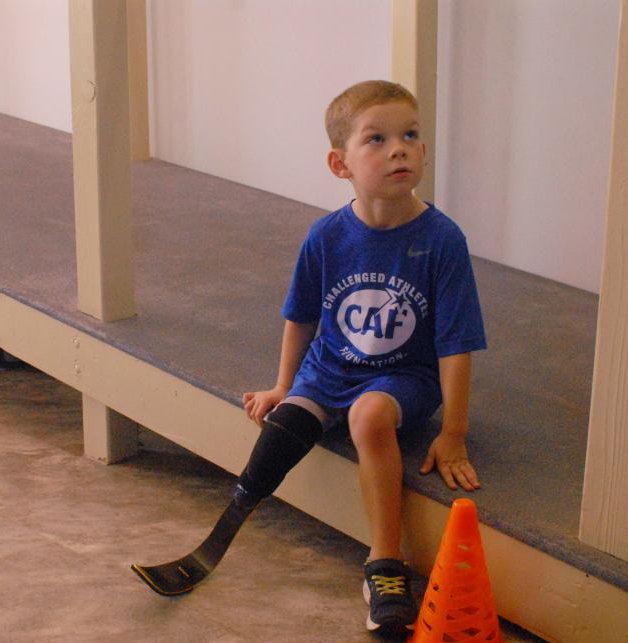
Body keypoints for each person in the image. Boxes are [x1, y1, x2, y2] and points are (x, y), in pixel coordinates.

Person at [240, 80, 487, 633]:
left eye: (410, 135)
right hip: (331, 369)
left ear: (423, 150)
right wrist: (284, 386)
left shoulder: (442, 240)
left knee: (369, 417)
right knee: (284, 426)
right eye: (376, 138)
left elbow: (456, 345)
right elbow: (301, 316)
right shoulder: (326, 235)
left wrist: (454, 431)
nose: (399, 148)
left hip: (404, 377)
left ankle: (385, 563)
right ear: (340, 163)